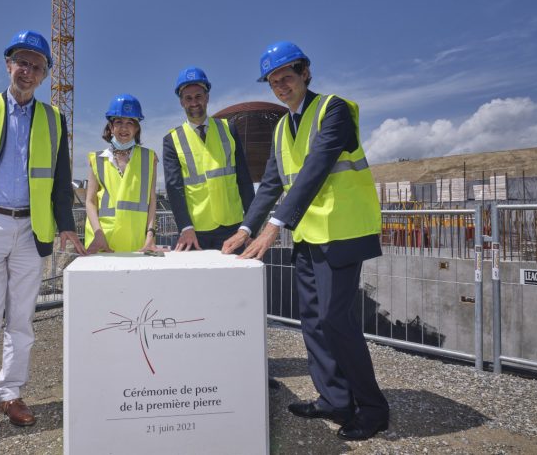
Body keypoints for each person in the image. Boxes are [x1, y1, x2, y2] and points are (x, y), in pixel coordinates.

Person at [222, 41, 389, 441]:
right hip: (310, 234)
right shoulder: (282, 126)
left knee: (336, 320)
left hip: (343, 231)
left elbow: (316, 169)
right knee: (312, 320)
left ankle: (372, 408)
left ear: (305, 73)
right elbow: (272, 184)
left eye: (287, 78)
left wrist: (274, 226)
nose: (280, 87)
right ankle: (333, 400)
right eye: (274, 82)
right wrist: (246, 228)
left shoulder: (334, 110)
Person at [0, 29, 85, 455]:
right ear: (8, 65)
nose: (27, 71)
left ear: (44, 75)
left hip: (31, 229)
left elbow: (61, 181)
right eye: (21, 62)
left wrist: (65, 225)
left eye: (36, 66)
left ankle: (11, 395)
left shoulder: (53, 119)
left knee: (22, 323)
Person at [162, 66, 255, 251]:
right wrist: (185, 227)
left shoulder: (229, 129)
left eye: (198, 96)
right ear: (181, 102)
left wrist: (251, 226)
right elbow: (174, 188)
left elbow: (244, 179)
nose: (194, 102)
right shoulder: (172, 140)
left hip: (232, 225)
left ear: (207, 97)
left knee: (233, 280)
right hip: (195, 231)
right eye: (188, 98)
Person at [84, 94, 159, 253]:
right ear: (111, 127)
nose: (124, 128)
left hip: (136, 242)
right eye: (118, 122)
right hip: (103, 242)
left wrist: (150, 235)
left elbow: (152, 200)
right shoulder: (96, 159)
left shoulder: (149, 158)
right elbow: (90, 201)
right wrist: (98, 235)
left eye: (130, 122)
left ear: (137, 128)